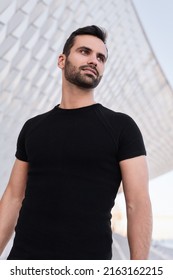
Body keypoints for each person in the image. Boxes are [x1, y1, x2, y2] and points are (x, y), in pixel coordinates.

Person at [0, 25, 152, 260]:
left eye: (101, 58)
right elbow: (13, 196)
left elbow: (138, 204)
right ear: (62, 60)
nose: (94, 60)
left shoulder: (122, 127)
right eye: (85, 52)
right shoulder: (33, 128)